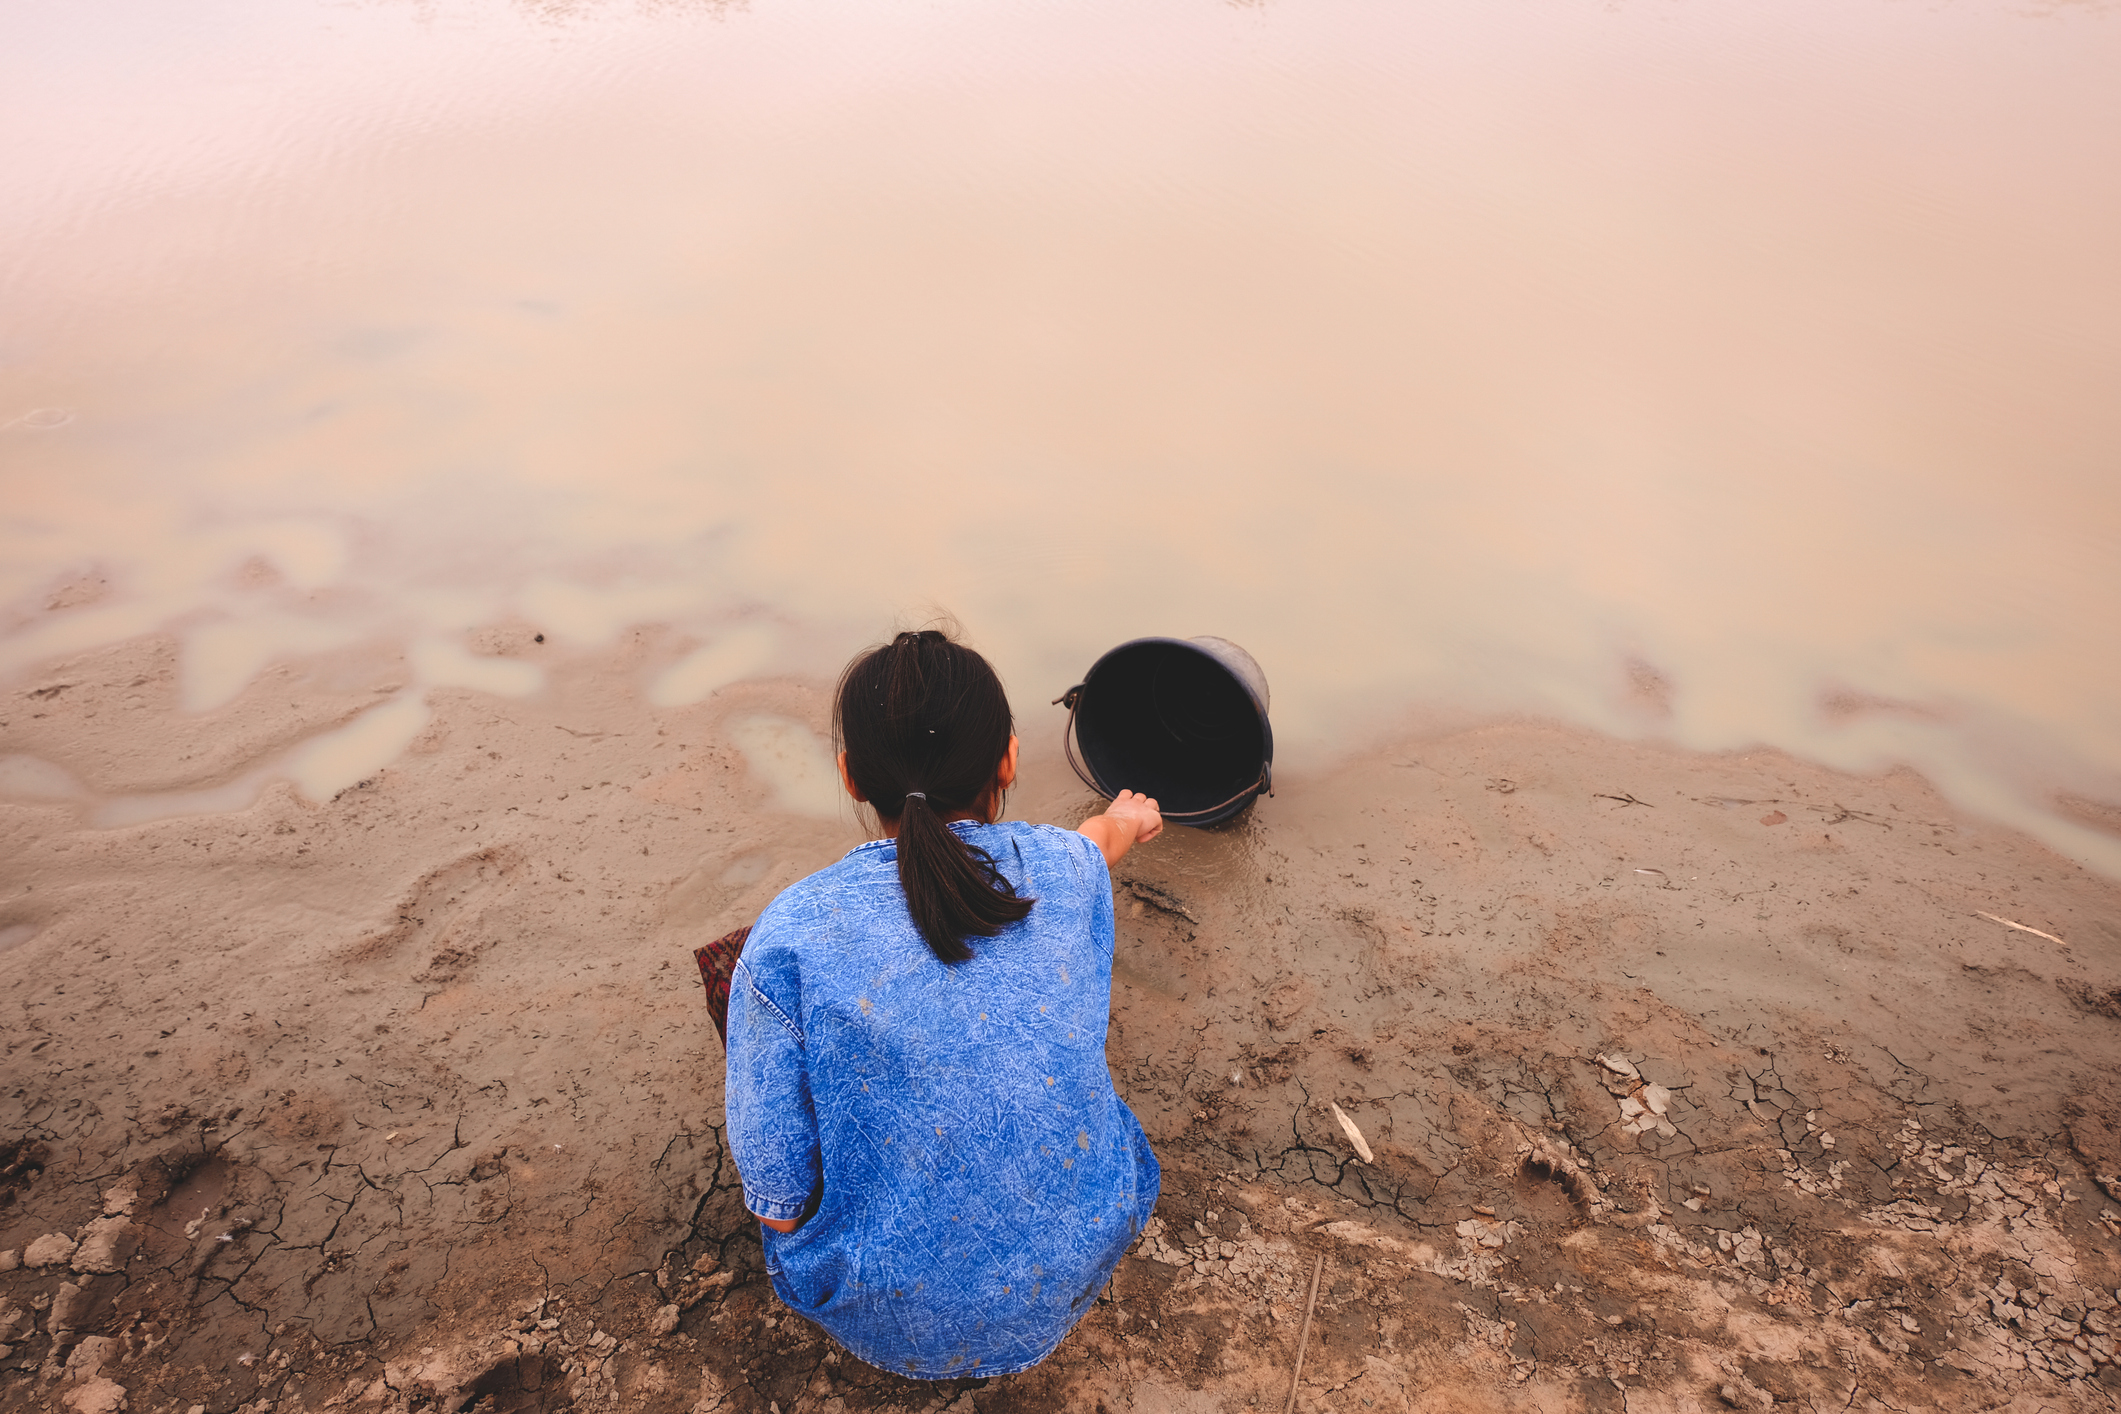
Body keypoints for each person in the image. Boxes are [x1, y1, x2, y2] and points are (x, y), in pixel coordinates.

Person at [722, 628, 1165, 1379]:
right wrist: (1127, 819)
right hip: (1083, 1249)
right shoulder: (1064, 870)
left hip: (890, 1317)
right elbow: (1095, 843)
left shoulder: (791, 932)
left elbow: (779, 1206)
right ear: (1010, 760)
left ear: (850, 777)